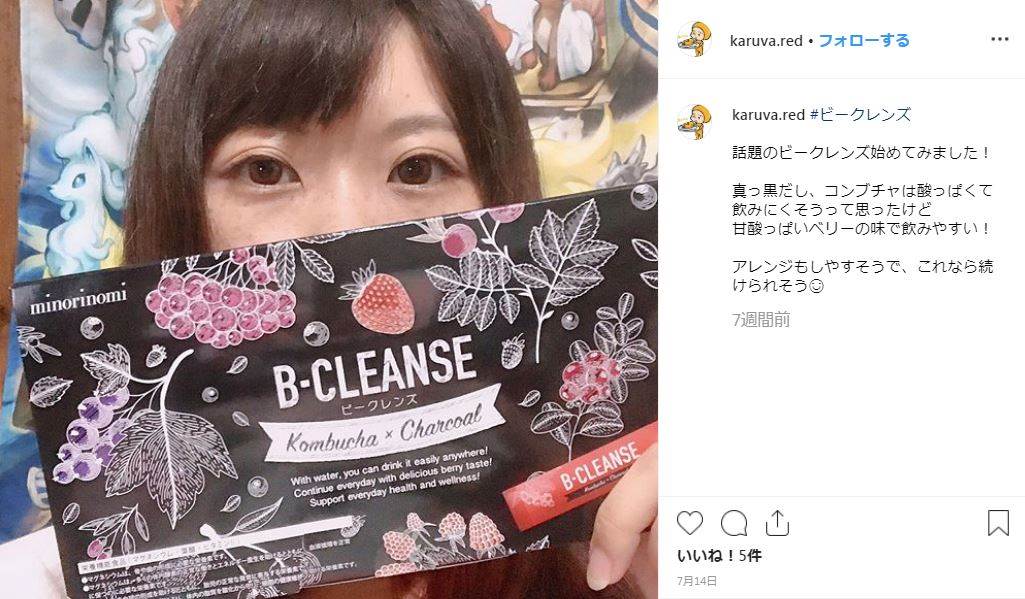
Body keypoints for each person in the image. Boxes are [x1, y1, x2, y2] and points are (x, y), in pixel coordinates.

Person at [0, 1, 658, 598]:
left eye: (417, 167)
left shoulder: (619, 543)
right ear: (182, 211)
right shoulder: (43, 583)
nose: (346, 234)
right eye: (265, 170)